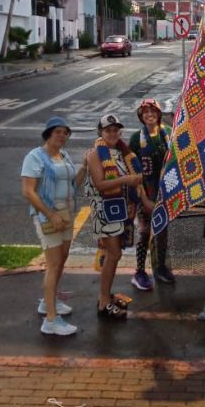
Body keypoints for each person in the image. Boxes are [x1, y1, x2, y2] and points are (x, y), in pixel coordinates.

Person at [80, 114, 150, 321]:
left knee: (116, 254)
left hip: (122, 210)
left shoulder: (123, 153)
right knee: (113, 254)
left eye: (115, 130)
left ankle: (107, 294)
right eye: (107, 130)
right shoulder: (94, 154)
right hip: (105, 211)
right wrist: (126, 179)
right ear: (100, 132)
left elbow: (137, 182)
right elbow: (101, 184)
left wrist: (145, 201)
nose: (112, 133)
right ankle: (103, 302)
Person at [21, 117, 79, 336]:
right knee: (53, 264)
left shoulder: (63, 155)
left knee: (62, 259)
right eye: (58, 132)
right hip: (49, 216)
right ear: (48, 134)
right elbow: (28, 191)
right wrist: (50, 214)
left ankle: (48, 302)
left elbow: (73, 181)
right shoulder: (34, 157)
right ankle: (51, 320)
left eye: (65, 133)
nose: (62, 136)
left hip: (66, 213)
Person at [128, 99, 174, 289]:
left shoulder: (168, 133)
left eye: (152, 111)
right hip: (145, 192)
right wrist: (143, 198)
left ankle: (160, 267)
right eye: (145, 112)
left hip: (165, 191)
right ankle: (139, 271)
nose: (149, 115)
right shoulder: (136, 138)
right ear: (141, 115)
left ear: (158, 114)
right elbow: (132, 170)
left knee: (162, 231)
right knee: (145, 232)